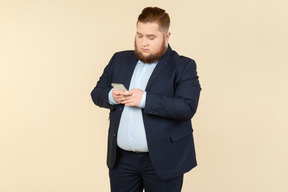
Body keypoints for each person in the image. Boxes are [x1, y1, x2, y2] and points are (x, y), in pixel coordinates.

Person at [91, 7, 201, 192]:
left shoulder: (183, 66)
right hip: (122, 161)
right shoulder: (119, 59)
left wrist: (145, 100)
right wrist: (112, 96)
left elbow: (187, 107)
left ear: (166, 37)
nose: (143, 43)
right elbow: (97, 93)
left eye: (151, 37)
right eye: (139, 35)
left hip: (164, 160)